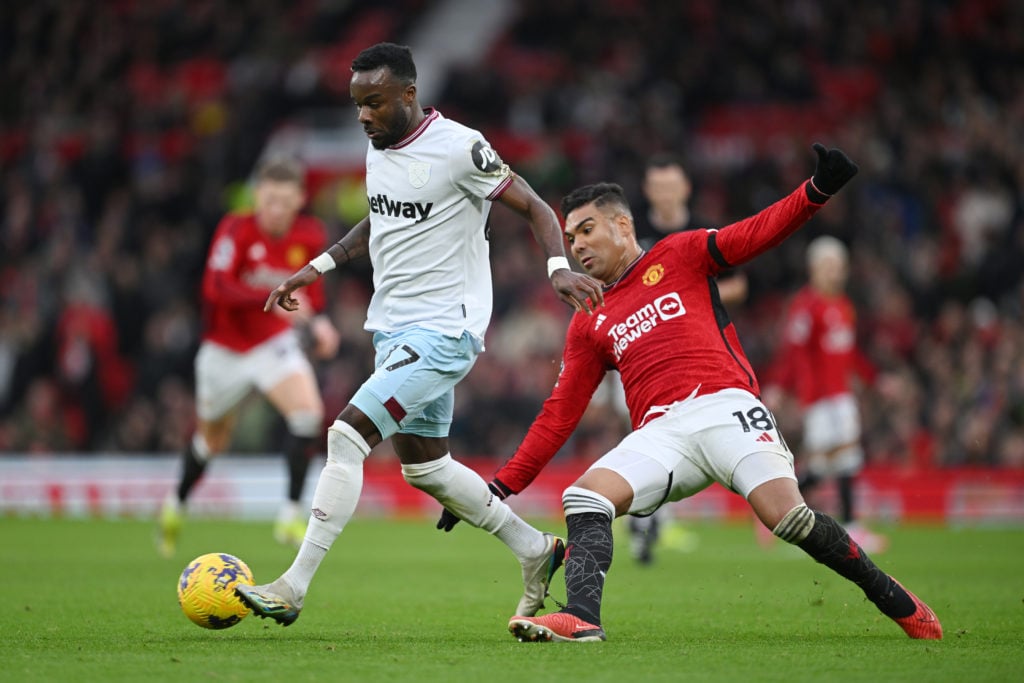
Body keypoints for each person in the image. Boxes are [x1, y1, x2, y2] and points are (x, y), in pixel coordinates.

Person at [470, 144, 941, 642]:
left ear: (623, 226)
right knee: (585, 496)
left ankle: (895, 598)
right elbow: (558, 415)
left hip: (725, 407)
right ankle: (583, 616)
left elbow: (754, 234)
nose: (577, 246)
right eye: (569, 238)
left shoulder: (679, 253)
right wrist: (500, 486)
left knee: (787, 518)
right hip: (660, 433)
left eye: (587, 230)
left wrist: (816, 191)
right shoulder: (588, 318)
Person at [233, 42, 605, 627]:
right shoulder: (379, 146)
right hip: (393, 326)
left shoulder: (461, 148)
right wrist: (319, 266)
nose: (363, 117)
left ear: (409, 95)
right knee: (425, 467)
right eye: (357, 104)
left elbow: (534, 205)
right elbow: (379, 219)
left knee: (346, 436)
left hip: (442, 332)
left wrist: (558, 269)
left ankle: (293, 586)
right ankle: (536, 550)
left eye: (374, 103)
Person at [157, 157, 341, 557]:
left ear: (299, 200)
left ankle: (291, 514)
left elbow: (315, 296)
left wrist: (322, 325)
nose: (274, 210)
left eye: (283, 202)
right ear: (258, 197)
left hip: (273, 345)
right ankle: (176, 505)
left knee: (308, 413)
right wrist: (269, 298)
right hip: (224, 350)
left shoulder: (310, 235)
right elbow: (215, 287)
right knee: (211, 441)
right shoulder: (235, 228)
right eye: (268, 200)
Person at [626, 153, 748, 564]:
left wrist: (682, 295)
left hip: (693, 349)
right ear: (647, 192)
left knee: (678, 428)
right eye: (656, 186)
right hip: (642, 349)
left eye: (670, 185)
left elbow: (737, 285)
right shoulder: (634, 234)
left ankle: (655, 517)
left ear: (685, 189)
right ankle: (645, 515)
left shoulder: (702, 230)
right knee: (637, 427)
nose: (664, 193)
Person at [764, 235, 887, 553]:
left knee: (845, 460)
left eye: (839, 266)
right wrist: (779, 385)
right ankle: (772, 510)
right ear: (814, 268)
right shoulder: (807, 306)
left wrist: (875, 380)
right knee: (823, 466)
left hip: (841, 396)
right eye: (829, 266)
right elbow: (793, 351)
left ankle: (849, 526)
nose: (835, 272)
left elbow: (850, 354)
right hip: (818, 398)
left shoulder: (844, 306)